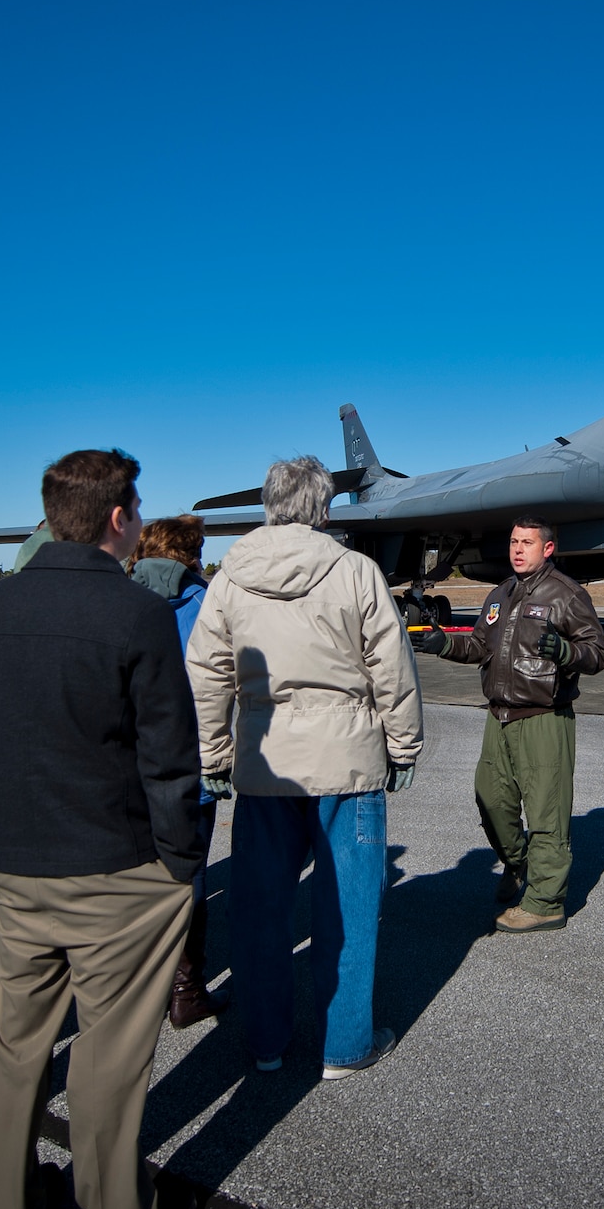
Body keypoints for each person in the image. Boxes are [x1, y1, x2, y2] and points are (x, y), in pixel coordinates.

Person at [0, 449, 206, 1209]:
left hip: (20, 867)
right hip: (117, 868)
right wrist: (180, 861)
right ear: (119, 517)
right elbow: (170, 758)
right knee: (109, 1055)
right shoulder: (135, 615)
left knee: (15, 1047)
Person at [186, 456, 422, 1080]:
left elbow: (208, 673)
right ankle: (344, 1046)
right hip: (348, 758)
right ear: (321, 508)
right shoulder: (356, 572)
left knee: (260, 910)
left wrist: (215, 754)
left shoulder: (229, 578)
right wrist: (402, 746)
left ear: (267, 503)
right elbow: (391, 667)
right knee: (347, 905)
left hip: (266, 764)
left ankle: (265, 1044)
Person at [414, 517, 604, 931]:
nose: (518, 549)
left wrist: (565, 651)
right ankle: (519, 865)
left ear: (548, 549)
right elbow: (480, 644)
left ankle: (545, 903)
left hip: (544, 718)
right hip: (498, 716)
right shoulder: (500, 594)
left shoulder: (567, 594)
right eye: (514, 541)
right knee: (491, 800)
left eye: (527, 542)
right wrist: (443, 642)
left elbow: (596, 654)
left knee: (546, 815)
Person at [130, 514, 228, 1027]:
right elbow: (212, 686)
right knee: (187, 874)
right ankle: (186, 990)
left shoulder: (118, 598)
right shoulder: (203, 603)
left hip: (127, 765)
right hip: (188, 764)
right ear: (190, 552)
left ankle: (140, 987)